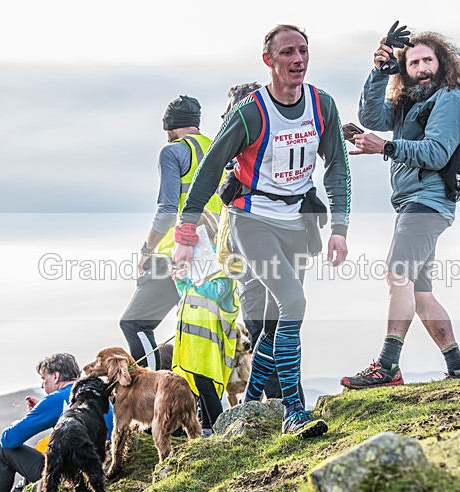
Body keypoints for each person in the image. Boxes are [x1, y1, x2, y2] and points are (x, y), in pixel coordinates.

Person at [173, 24, 351, 438]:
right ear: (269, 61)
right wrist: (185, 229)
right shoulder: (252, 111)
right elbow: (211, 166)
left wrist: (339, 227)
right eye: (287, 52)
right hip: (251, 220)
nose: (298, 59)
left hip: (298, 223)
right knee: (293, 303)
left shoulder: (322, 105)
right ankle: (294, 411)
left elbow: (338, 165)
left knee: (275, 323)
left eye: (303, 51)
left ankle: (251, 404)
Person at [342, 30, 460, 388]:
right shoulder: (411, 104)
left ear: (442, 63)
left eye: (427, 60)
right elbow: (371, 115)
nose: (420, 68)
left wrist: (385, 148)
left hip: (428, 200)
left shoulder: (451, 99)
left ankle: (387, 367)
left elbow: (436, 152)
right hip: (412, 202)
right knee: (419, 293)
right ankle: (459, 368)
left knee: (396, 274)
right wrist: (380, 71)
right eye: (412, 62)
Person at [217, 81, 305, 405]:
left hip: (262, 262)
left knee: (268, 333)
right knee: (268, 335)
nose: (223, 117)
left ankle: (286, 408)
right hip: (248, 264)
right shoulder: (244, 152)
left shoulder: (259, 149)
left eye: (229, 111)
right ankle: (286, 407)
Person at [119, 96, 223, 370]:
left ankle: (151, 388)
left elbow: (166, 212)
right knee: (198, 333)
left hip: (176, 255)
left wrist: (146, 251)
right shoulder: (219, 148)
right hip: (216, 257)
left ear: (170, 126)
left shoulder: (173, 152)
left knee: (134, 323)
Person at [0, 352, 113, 492]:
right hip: (101, 459)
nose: (42, 385)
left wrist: (24, 420)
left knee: (3, 451)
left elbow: (9, 440)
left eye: (44, 378)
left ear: (56, 376)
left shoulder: (56, 399)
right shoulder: (93, 394)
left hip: (74, 469)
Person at [172, 213, 239, 436]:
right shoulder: (196, 272)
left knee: (207, 387)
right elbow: (186, 294)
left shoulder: (222, 269)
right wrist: (181, 280)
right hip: (192, 345)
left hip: (210, 348)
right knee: (198, 388)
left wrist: (195, 281)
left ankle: (219, 429)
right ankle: (206, 429)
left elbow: (218, 293)